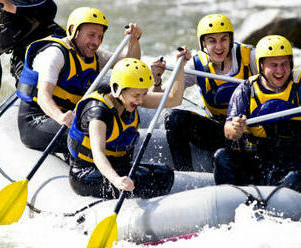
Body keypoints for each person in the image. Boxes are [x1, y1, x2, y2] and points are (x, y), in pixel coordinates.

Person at [16, 7, 143, 155]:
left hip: (69, 117)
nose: (96, 42)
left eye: (100, 36)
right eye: (91, 35)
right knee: (93, 135)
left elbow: (130, 64)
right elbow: (44, 97)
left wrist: (134, 40)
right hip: (37, 120)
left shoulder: (95, 55)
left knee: (106, 93)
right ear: (73, 31)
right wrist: (60, 117)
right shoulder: (55, 55)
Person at [68, 49, 191, 199]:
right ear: (117, 89)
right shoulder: (97, 112)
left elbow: (174, 99)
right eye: (136, 95)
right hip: (87, 173)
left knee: (164, 174)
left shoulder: (129, 98)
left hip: (118, 166)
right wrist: (116, 180)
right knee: (142, 178)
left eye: (144, 94)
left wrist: (181, 66)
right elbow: (98, 154)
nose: (140, 100)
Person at [151, 14, 257, 171]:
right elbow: (164, 98)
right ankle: (185, 174)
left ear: (231, 39)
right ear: (203, 43)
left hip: (250, 131)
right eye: (212, 41)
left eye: (223, 39)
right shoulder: (197, 65)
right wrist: (157, 79)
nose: (219, 46)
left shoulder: (251, 57)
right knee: (174, 118)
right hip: (219, 131)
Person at [213, 35, 301, 192]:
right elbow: (228, 130)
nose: (280, 71)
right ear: (261, 65)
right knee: (222, 156)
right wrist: (236, 128)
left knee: (295, 176)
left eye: (284, 64)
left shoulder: (298, 85)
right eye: (273, 65)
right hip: (257, 158)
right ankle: (232, 201)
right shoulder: (246, 90)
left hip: (293, 159)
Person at [0, 0, 65, 104]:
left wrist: (12, 8)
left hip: (46, 36)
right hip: (21, 52)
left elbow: (50, 8)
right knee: (27, 92)